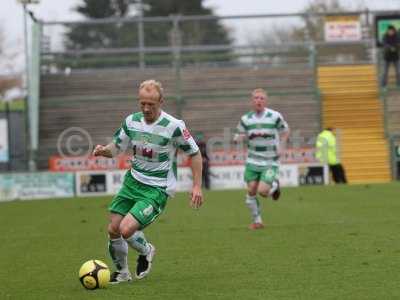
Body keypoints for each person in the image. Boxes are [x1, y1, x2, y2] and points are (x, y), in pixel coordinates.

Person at [93, 79, 203, 283]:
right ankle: (123, 273)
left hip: (157, 188)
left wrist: (196, 185)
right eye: (142, 103)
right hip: (132, 182)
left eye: (150, 104)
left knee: (126, 229)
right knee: (113, 229)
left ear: (161, 101)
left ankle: (147, 250)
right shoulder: (131, 121)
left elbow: (195, 154)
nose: (145, 108)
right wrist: (103, 151)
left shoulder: (174, 126)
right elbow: (116, 147)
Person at [234, 88, 290, 230]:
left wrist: (282, 147)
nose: (258, 100)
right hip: (252, 161)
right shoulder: (245, 119)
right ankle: (257, 221)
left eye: (261, 98)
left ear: (266, 101)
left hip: (270, 161)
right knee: (251, 190)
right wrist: (239, 138)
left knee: (263, 192)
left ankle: (275, 186)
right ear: (252, 101)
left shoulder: (274, 116)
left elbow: (285, 131)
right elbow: (238, 136)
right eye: (256, 98)